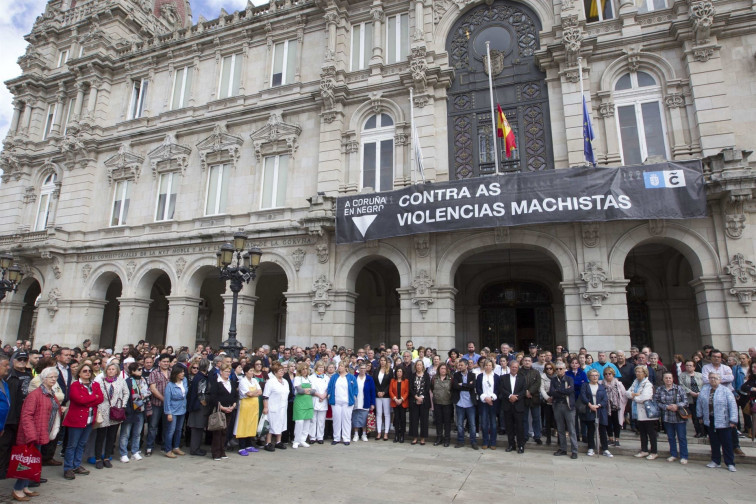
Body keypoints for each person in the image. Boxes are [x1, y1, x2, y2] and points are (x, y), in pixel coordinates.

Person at [11, 360, 51, 501]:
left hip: (39, 432)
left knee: (33, 462)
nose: (54, 380)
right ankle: (17, 488)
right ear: (43, 379)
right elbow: (26, 416)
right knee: (26, 462)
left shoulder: (46, 393)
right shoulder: (35, 394)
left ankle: (25, 486)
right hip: (31, 434)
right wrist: (31, 435)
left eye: (55, 377)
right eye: (51, 377)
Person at [62, 363, 103, 480]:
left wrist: (90, 400)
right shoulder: (75, 385)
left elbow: (100, 398)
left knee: (82, 444)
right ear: (79, 372)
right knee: (72, 445)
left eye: (89, 371)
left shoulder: (95, 384)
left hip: (89, 419)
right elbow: (79, 400)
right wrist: (93, 398)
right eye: (84, 371)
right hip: (76, 420)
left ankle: (76, 465)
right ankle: (68, 468)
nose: (87, 373)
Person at [697, 372, 739, 472]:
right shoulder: (704, 389)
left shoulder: (726, 390)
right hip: (710, 419)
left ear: (720, 380)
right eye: (711, 378)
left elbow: (732, 405)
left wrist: (733, 420)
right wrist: (700, 415)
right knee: (714, 441)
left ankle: (730, 463)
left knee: (727, 443)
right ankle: (716, 460)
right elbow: (699, 403)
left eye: (715, 378)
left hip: (724, 420)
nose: (713, 380)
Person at [93, 362, 129, 469]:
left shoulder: (121, 381)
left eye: (113, 369)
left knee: (111, 436)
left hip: (116, 411)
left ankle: (107, 457)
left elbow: (126, 393)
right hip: (103, 410)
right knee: (101, 436)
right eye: (109, 369)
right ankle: (98, 458)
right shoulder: (100, 381)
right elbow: (96, 394)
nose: (111, 371)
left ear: (117, 371)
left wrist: (123, 404)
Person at [653, 370, 688, 464]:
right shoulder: (660, 389)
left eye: (670, 378)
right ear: (663, 379)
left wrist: (677, 406)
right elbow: (656, 401)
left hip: (679, 417)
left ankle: (684, 456)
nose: (668, 380)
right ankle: (673, 454)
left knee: (681, 437)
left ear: (673, 379)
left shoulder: (679, 388)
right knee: (671, 437)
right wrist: (666, 407)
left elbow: (685, 401)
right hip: (667, 417)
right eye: (666, 378)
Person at [119, 362, 150, 462]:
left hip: (141, 409)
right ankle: (123, 453)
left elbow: (147, 392)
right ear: (132, 371)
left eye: (141, 369)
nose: (141, 371)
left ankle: (135, 451)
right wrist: (127, 410)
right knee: (126, 433)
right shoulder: (128, 381)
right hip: (130, 410)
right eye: (139, 369)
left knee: (137, 432)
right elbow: (125, 396)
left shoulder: (143, 380)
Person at [626, 365, 658, 460]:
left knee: (651, 432)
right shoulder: (635, 382)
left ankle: (654, 451)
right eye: (636, 372)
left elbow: (645, 397)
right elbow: (627, 393)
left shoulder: (647, 384)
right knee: (642, 432)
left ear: (645, 373)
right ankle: (644, 450)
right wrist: (635, 395)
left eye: (640, 372)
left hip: (647, 412)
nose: (637, 373)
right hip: (638, 412)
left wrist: (634, 397)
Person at [579, 369, 612, 457]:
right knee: (591, 429)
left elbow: (605, 399)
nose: (594, 377)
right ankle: (591, 448)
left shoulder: (601, 387)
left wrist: (598, 405)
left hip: (600, 410)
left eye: (596, 375)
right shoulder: (585, 385)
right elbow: (583, 396)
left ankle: (605, 449)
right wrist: (590, 405)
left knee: (602, 429)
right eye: (592, 375)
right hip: (589, 409)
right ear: (589, 377)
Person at [208, 364, 238, 460]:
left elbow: (235, 396)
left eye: (229, 372)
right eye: (225, 371)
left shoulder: (232, 383)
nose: (227, 373)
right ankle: (216, 452)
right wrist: (222, 407)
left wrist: (233, 405)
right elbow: (213, 397)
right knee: (218, 431)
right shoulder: (216, 382)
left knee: (225, 431)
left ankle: (222, 451)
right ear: (221, 372)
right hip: (219, 410)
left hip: (230, 410)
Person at [550, 362, 578, 459]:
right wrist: (562, 391)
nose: (558, 370)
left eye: (560, 369)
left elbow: (570, 391)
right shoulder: (553, 380)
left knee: (571, 429)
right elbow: (552, 392)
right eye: (557, 369)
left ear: (565, 369)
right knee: (560, 429)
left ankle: (574, 450)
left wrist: (559, 391)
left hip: (568, 406)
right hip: (557, 405)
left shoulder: (569, 379)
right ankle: (563, 448)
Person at [145, 354, 171, 457]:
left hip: (168, 405)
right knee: (153, 426)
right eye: (164, 361)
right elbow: (153, 388)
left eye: (167, 361)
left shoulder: (171, 372)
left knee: (166, 426)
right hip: (157, 403)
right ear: (159, 362)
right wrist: (163, 399)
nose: (166, 363)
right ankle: (149, 447)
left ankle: (165, 446)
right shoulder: (154, 373)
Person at [326, 361, 357, 445]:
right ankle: (336, 438)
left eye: (341, 366)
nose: (339, 367)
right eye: (339, 366)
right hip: (336, 402)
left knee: (346, 420)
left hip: (347, 402)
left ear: (346, 367)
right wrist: (329, 395)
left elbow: (355, 388)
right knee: (336, 420)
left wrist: (354, 397)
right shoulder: (334, 377)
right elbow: (329, 387)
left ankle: (346, 438)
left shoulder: (351, 377)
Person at [234, 363, 262, 455]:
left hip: (254, 406)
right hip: (245, 406)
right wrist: (254, 393)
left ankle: (249, 445)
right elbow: (248, 394)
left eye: (252, 371)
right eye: (250, 371)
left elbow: (260, 391)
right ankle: (241, 447)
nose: (252, 372)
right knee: (243, 425)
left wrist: (253, 393)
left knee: (251, 424)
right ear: (246, 372)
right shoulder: (243, 381)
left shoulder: (254, 380)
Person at [500, 360, 527, 453]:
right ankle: (511, 444)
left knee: (519, 427)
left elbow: (524, 390)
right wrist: (509, 396)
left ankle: (521, 445)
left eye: (516, 367)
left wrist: (516, 397)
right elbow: (501, 389)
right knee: (509, 427)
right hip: (507, 405)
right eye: (512, 367)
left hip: (518, 405)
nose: (514, 368)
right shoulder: (503, 377)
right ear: (509, 367)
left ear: (518, 368)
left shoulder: (522, 378)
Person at [162, 364, 188, 458]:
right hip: (173, 409)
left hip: (182, 408)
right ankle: (168, 449)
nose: (183, 374)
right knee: (171, 430)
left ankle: (176, 447)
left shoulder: (184, 381)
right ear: (176, 374)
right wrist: (168, 412)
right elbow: (167, 400)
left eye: (183, 372)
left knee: (179, 429)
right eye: (181, 372)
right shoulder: (170, 385)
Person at [452, 359, 478, 450]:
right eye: (459, 365)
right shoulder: (456, 375)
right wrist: (466, 385)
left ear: (467, 366)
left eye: (462, 365)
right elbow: (455, 386)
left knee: (472, 424)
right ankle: (460, 441)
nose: (460, 367)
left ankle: (473, 441)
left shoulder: (472, 375)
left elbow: (473, 386)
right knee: (459, 424)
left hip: (470, 403)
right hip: (460, 402)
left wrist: (462, 384)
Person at [186, 359, 210, 456]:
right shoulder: (202, 378)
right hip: (199, 407)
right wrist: (204, 403)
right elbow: (201, 393)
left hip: (195, 405)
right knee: (197, 428)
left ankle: (196, 448)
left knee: (198, 428)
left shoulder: (198, 376)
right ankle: (195, 449)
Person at [476, 358, 499, 449]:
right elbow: (478, 388)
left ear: (492, 366)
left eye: (490, 365)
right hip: (483, 402)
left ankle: (493, 442)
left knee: (493, 423)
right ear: (483, 366)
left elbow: (498, 389)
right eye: (486, 365)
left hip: (493, 402)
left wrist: (492, 398)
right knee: (484, 423)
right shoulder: (480, 376)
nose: (488, 367)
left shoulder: (496, 377)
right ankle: (485, 441)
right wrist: (485, 397)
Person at [679, 360, 705, 438]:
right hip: (690, 397)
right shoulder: (682, 375)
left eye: (690, 365)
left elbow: (704, 384)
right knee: (694, 415)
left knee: (702, 415)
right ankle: (698, 431)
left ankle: (705, 431)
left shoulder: (700, 375)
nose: (688, 367)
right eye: (687, 365)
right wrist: (690, 392)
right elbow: (681, 385)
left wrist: (700, 392)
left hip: (700, 396)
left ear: (694, 367)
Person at [602, 367, 627, 447]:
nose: (607, 375)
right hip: (606, 407)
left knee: (616, 423)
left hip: (616, 407)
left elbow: (624, 394)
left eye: (609, 374)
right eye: (605, 374)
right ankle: (610, 438)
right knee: (608, 423)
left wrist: (621, 404)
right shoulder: (602, 384)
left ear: (613, 374)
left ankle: (617, 439)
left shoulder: (618, 384)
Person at [520, 356, 542, 445]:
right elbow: (519, 383)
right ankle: (525, 436)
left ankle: (537, 436)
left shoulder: (536, 372)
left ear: (532, 362)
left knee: (536, 418)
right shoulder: (519, 372)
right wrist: (525, 392)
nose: (527, 362)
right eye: (525, 360)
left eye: (529, 361)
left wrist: (530, 391)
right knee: (524, 418)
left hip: (534, 398)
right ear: (522, 362)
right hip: (523, 398)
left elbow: (538, 383)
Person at [292, 362, 314, 449]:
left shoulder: (310, 379)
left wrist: (305, 389)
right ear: (300, 370)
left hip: (308, 402)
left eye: (306, 369)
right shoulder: (297, 378)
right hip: (299, 403)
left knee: (307, 422)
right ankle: (296, 440)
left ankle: (303, 439)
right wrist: (308, 390)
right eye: (303, 369)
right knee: (299, 422)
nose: (305, 371)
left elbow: (313, 391)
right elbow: (299, 390)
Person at [408, 360, 430, 445]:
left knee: (424, 420)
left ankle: (423, 438)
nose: (419, 366)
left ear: (423, 366)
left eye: (420, 365)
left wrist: (421, 397)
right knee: (414, 419)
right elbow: (410, 388)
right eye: (417, 365)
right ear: (415, 366)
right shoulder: (412, 376)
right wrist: (416, 397)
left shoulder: (426, 375)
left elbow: (427, 388)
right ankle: (414, 437)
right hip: (414, 400)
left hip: (424, 401)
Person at [431, 363, 453, 447]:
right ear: (438, 370)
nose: (443, 370)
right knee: (438, 421)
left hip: (447, 403)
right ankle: (439, 437)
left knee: (447, 422)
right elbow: (431, 388)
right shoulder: (434, 378)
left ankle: (447, 439)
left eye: (444, 368)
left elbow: (452, 389)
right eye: (441, 368)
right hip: (437, 402)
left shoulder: (450, 379)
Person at [372, 356, 392, 442]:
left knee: (387, 414)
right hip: (378, 395)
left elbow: (390, 383)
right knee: (379, 414)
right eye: (381, 360)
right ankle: (379, 432)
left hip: (386, 395)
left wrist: (384, 392)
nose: (383, 362)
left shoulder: (390, 371)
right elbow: (374, 382)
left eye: (384, 360)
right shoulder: (376, 370)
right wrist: (378, 392)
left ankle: (386, 432)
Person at [309, 361, 329, 444]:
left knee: (321, 420)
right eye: (319, 367)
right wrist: (318, 395)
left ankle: (320, 436)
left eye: (322, 367)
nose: (321, 369)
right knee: (313, 420)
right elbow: (310, 389)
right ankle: (312, 437)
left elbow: (328, 389)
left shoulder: (327, 378)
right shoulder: (311, 377)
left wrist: (323, 396)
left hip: (323, 400)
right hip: (314, 399)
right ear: (316, 368)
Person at [390, 366, 409, 443]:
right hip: (395, 402)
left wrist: (402, 399)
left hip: (403, 402)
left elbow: (407, 392)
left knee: (403, 419)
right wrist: (395, 399)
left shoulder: (406, 381)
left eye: (400, 371)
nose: (399, 373)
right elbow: (390, 391)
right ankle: (396, 435)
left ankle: (402, 436)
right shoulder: (392, 380)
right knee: (396, 419)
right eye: (398, 371)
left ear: (403, 372)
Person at [539, 362, 556, 445]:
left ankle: (559, 439)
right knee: (548, 421)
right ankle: (548, 438)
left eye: (550, 368)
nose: (549, 370)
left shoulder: (557, 377)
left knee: (557, 421)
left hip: (556, 400)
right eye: (547, 368)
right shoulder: (543, 377)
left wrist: (554, 397)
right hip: (546, 400)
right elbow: (541, 388)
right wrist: (547, 398)